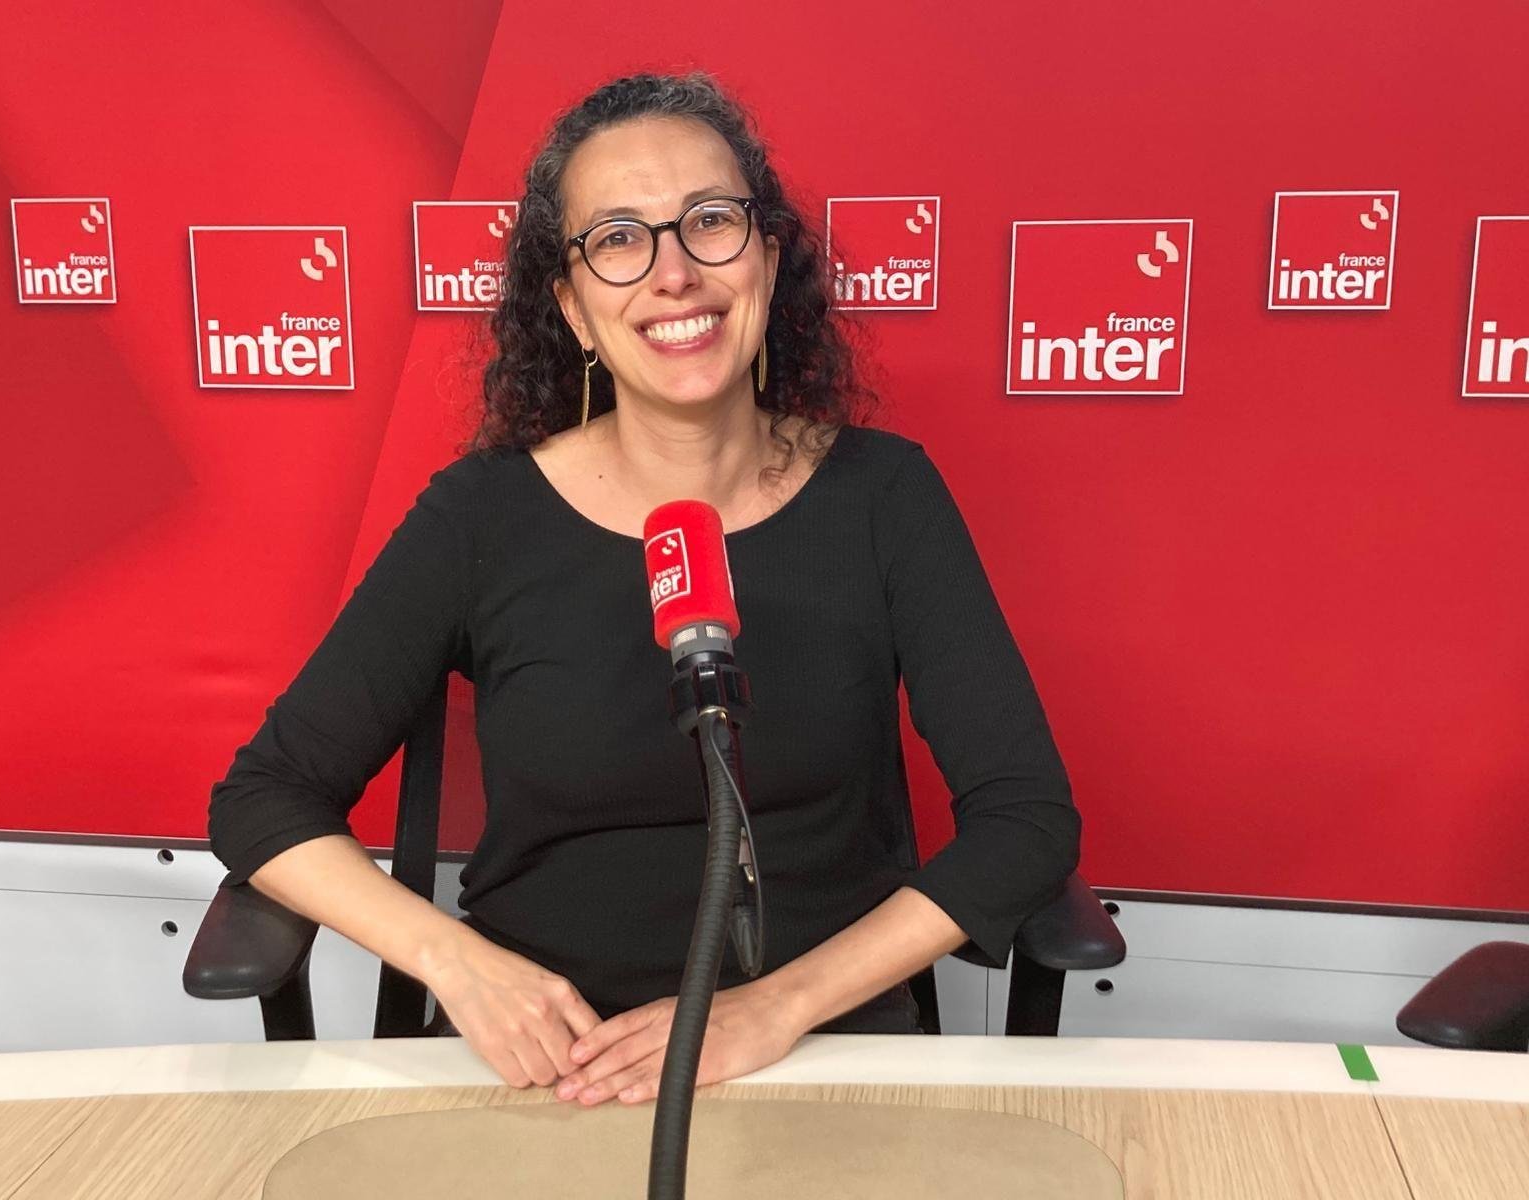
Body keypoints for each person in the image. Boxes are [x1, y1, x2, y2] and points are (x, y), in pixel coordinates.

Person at [207, 71, 1080, 1109]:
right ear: (574, 309)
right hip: (550, 1066)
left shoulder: (884, 496)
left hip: (813, 1049)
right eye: (619, 239)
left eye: (709, 221)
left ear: (767, 261)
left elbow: (1026, 820)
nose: (674, 273)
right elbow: (264, 799)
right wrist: (461, 966)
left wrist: (777, 1008)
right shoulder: (481, 516)